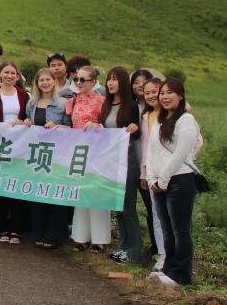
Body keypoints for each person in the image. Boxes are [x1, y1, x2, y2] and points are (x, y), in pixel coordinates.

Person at [146, 78, 202, 287]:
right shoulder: (159, 121)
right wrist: (152, 178)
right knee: (167, 229)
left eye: (170, 92)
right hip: (159, 182)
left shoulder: (186, 120)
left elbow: (180, 153)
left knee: (181, 229)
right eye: (162, 93)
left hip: (180, 180)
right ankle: (168, 269)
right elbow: (151, 152)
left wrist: (163, 179)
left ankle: (182, 275)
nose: (165, 97)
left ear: (180, 96)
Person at [23, 68, 71, 248]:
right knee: (38, 193)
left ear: (54, 81)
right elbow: (28, 121)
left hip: (57, 155)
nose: (45, 83)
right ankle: (39, 231)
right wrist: (26, 122)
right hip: (37, 155)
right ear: (37, 83)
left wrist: (58, 126)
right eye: (41, 80)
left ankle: (55, 234)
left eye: (48, 80)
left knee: (54, 194)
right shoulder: (32, 103)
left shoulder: (64, 103)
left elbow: (71, 128)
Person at [0, 62, 29, 244]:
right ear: (0, 75)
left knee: (15, 187)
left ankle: (16, 228)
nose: (9, 76)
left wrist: (24, 121)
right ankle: (1, 226)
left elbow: (28, 117)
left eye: (12, 73)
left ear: (17, 76)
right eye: (6, 72)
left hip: (19, 146)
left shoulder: (24, 95)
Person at [102, 67, 144, 265]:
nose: (111, 83)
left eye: (115, 79)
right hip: (110, 161)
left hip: (127, 160)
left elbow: (137, 132)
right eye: (109, 79)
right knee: (117, 206)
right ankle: (124, 246)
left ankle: (135, 251)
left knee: (128, 206)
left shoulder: (132, 106)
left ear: (123, 82)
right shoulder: (106, 105)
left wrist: (135, 128)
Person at [67, 65, 108, 253]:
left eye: (83, 79)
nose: (78, 82)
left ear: (93, 81)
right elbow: (71, 126)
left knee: (96, 193)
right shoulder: (73, 101)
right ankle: (81, 237)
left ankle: (99, 240)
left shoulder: (102, 101)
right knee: (81, 193)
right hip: (78, 152)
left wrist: (98, 126)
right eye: (76, 79)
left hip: (97, 152)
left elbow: (109, 126)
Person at [140, 78, 166, 270]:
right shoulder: (146, 116)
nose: (151, 96)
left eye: (154, 91)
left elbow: (196, 141)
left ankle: (175, 255)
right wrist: (143, 173)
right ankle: (163, 254)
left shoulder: (175, 114)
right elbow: (144, 147)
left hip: (173, 172)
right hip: (152, 173)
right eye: (147, 92)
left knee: (172, 215)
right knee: (157, 214)